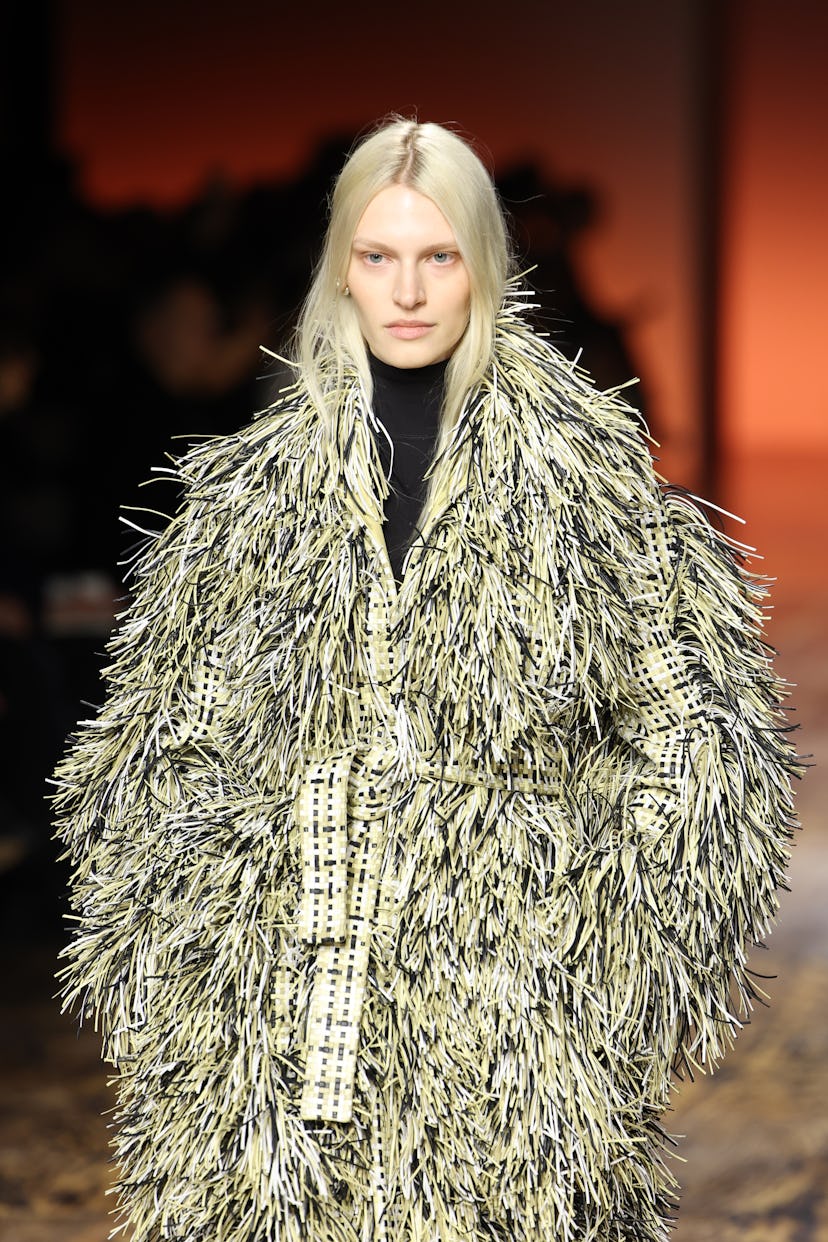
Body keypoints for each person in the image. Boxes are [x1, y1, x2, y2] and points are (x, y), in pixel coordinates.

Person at [53, 118, 800, 1242]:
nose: (407, 290)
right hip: (281, 1021)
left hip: (512, 1031)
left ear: (486, 266)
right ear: (339, 271)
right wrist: (199, 969)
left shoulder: (587, 501)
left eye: (439, 256)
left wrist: (603, 974)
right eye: (378, 255)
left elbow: (707, 747)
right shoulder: (246, 504)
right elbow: (153, 748)